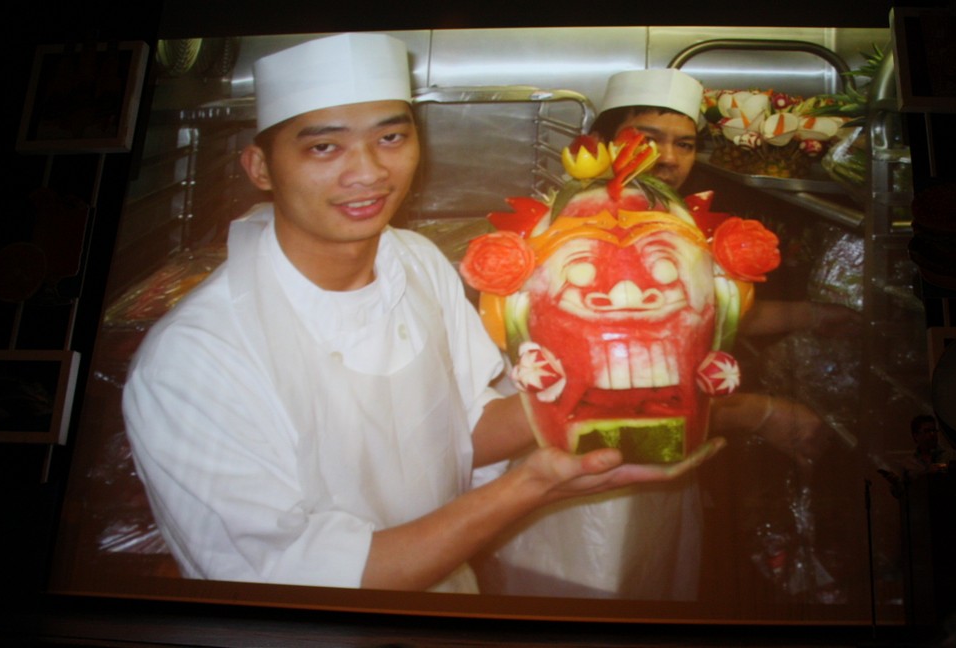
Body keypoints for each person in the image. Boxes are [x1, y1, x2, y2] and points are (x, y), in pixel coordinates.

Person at [122, 33, 720, 593]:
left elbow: (466, 427)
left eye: (391, 137)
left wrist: (634, 386)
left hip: (446, 589)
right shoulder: (198, 354)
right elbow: (289, 575)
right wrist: (531, 485)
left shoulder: (414, 260)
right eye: (324, 146)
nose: (369, 172)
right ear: (259, 167)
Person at [475, 68, 835, 601]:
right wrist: (759, 411)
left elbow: (708, 318)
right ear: (597, 146)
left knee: (653, 582)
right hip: (567, 461)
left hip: (663, 457)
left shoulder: (681, 224)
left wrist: (815, 316)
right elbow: (603, 383)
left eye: (684, 144)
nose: (668, 157)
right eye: (647, 140)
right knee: (576, 595)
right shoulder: (565, 231)